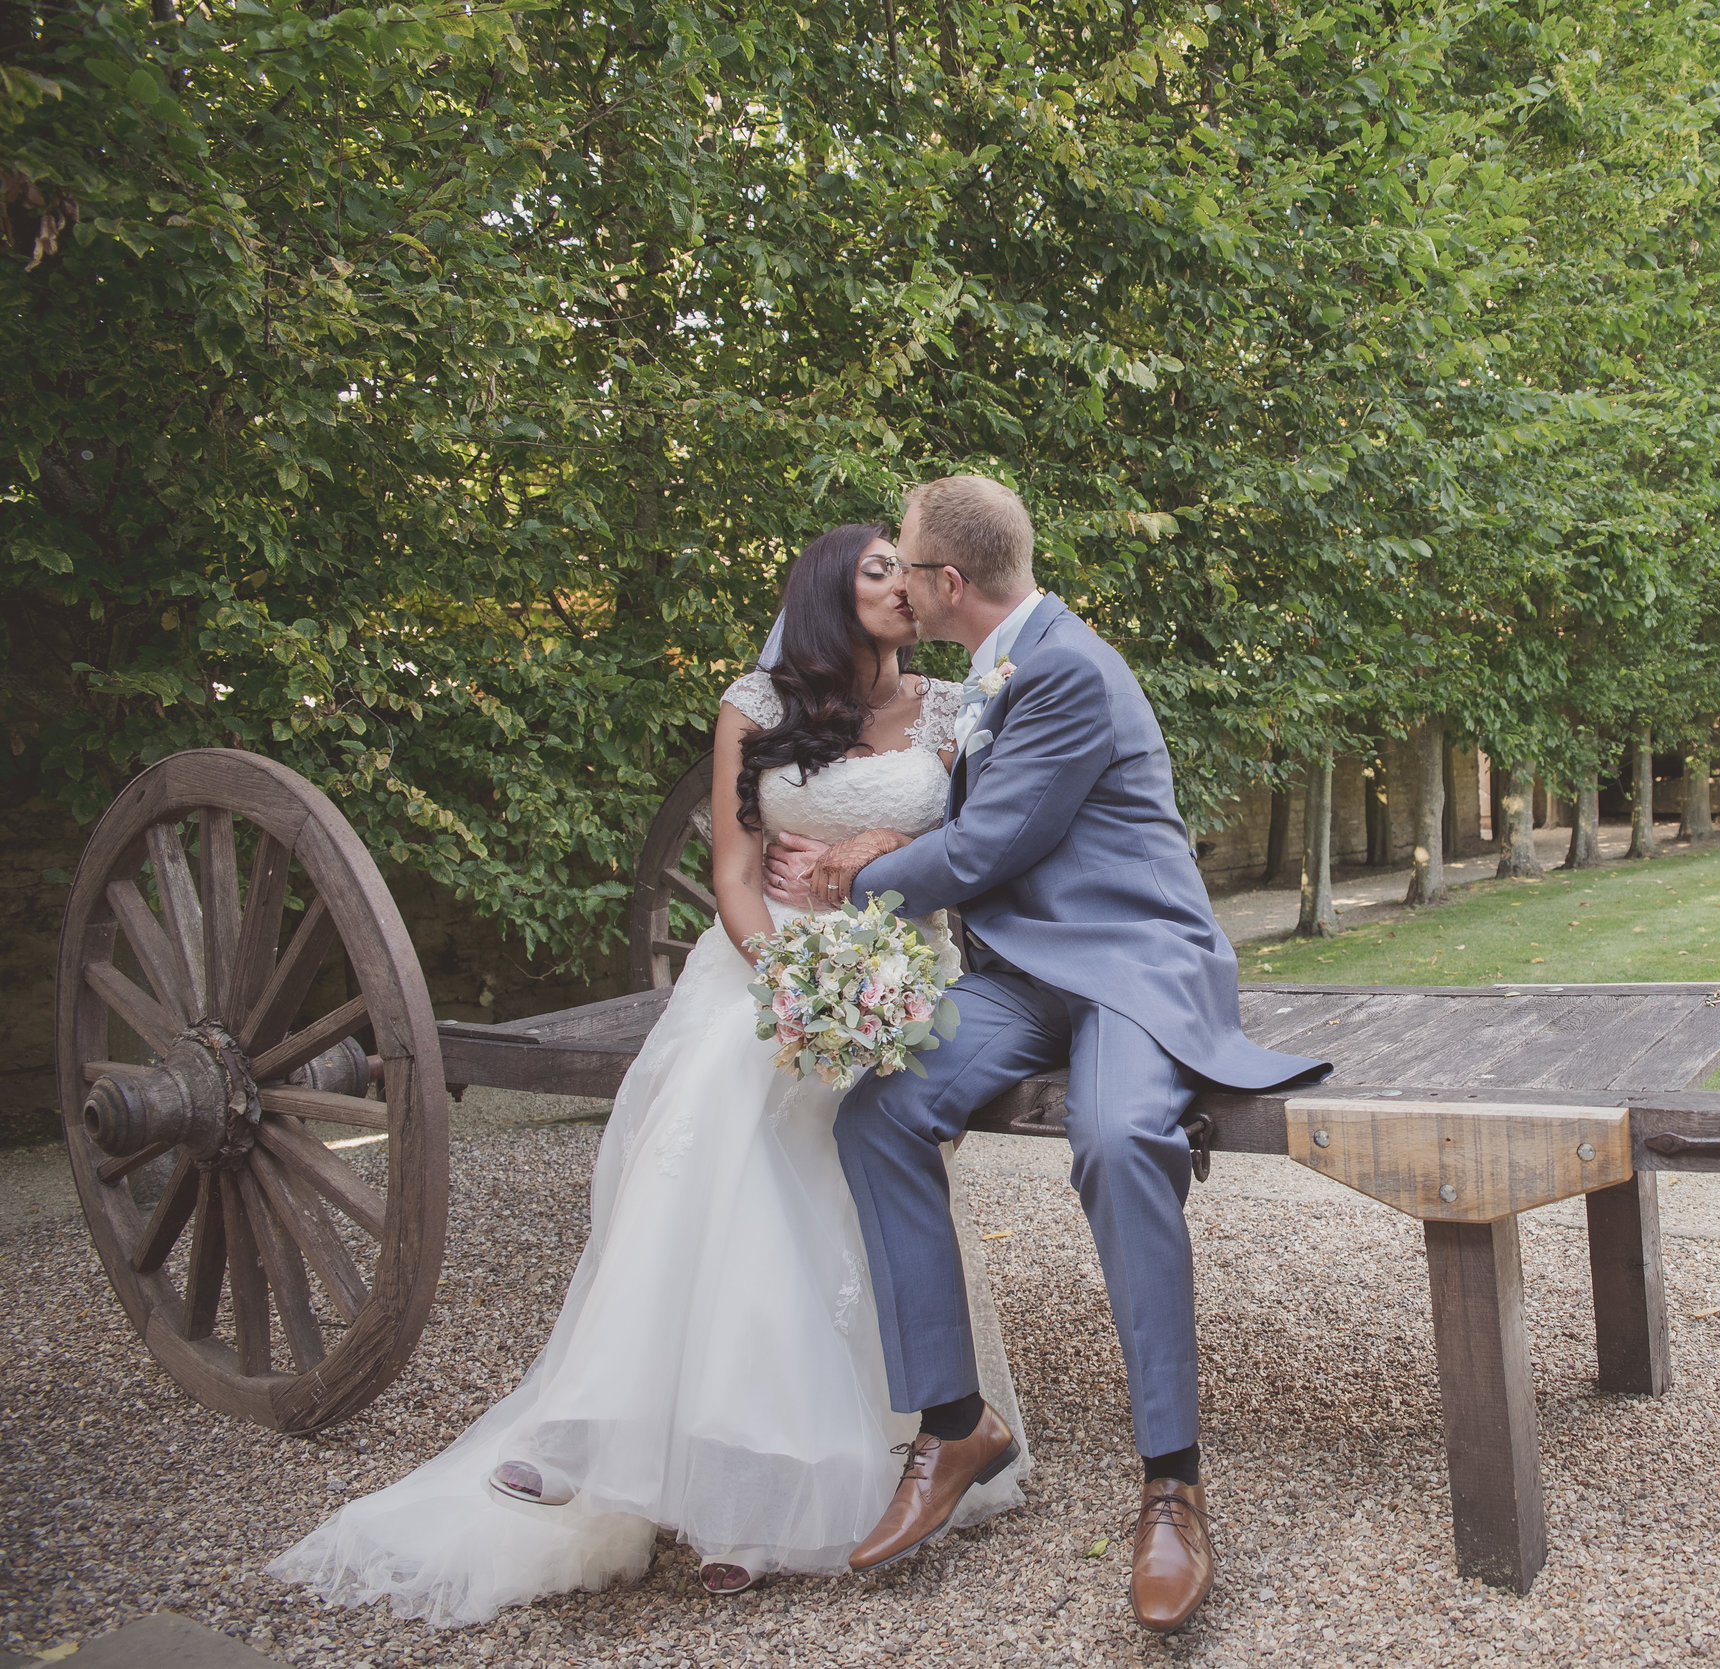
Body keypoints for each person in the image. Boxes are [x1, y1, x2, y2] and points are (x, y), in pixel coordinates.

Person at [270, 526, 1029, 1626]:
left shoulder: (954, 712)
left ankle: (745, 1485)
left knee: (786, 1116)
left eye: (906, 569)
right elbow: (731, 868)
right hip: (766, 957)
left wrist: (865, 920)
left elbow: (974, 854)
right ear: (825, 589)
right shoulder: (755, 707)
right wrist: (787, 976)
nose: (903, 585)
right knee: (726, 1079)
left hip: (897, 967)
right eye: (876, 568)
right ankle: (606, 1431)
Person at [762, 475, 1326, 1634]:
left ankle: (1172, 1482)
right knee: (879, 1113)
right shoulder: (991, 671)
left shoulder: (1065, 667)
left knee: (1117, 1137)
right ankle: (954, 1420)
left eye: (907, 566)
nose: (900, 583)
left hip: (1128, 965)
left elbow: (995, 840)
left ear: (948, 583)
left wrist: (849, 874)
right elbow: (982, 825)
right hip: (1025, 974)